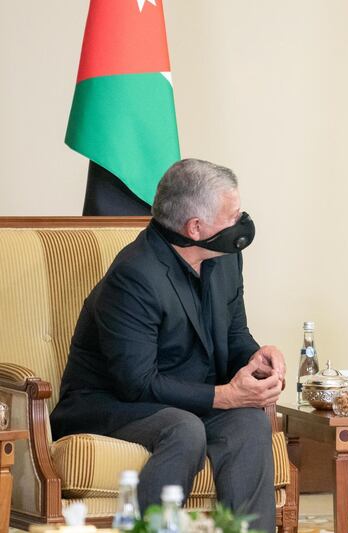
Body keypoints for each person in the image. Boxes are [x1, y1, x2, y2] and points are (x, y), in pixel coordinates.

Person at [51, 158, 285, 531]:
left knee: (248, 423)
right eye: (233, 215)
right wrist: (224, 395)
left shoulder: (224, 258)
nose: (242, 223)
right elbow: (136, 383)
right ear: (196, 227)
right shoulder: (135, 275)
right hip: (111, 402)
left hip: (191, 395)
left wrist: (256, 359)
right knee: (184, 428)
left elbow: (235, 334)